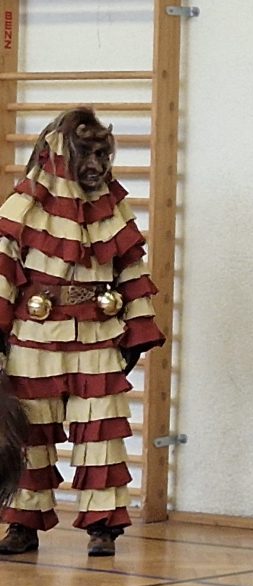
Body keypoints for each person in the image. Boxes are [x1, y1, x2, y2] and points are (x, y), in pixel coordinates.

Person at [0, 107, 165, 557]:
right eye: (84, 154)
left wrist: (137, 329)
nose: (94, 165)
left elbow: (131, 269)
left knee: (102, 433)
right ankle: (23, 525)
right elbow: (3, 269)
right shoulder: (23, 205)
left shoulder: (113, 207)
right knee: (30, 433)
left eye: (101, 155)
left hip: (97, 337)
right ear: (59, 155)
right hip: (34, 339)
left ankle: (103, 528)